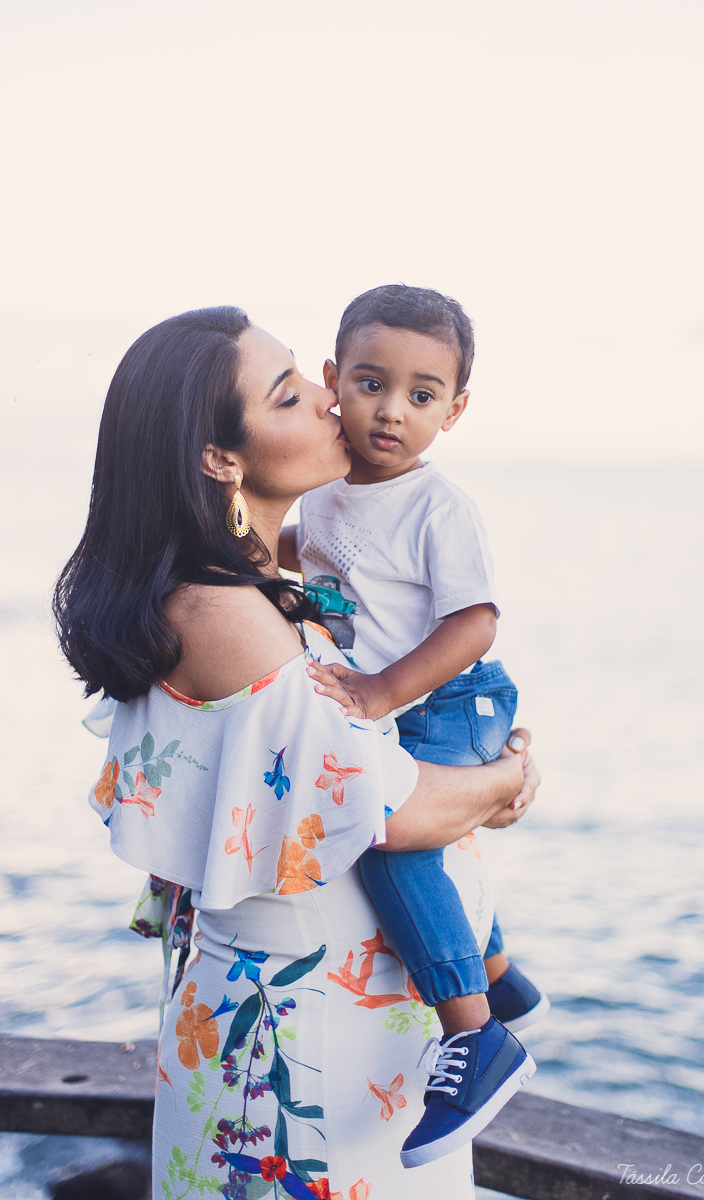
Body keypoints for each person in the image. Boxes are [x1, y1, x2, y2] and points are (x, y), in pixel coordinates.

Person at [54, 307, 540, 1199]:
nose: (331, 403)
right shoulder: (224, 616)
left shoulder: (258, 588)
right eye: (291, 395)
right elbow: (387, 810)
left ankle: (494, 986)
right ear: (220, 459)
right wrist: (508, 777)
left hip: (339, 1027)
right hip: (299, 1055)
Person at [279, 285, 547, 1167]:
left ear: (454, 410)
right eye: (370, 383)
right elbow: (315, 578)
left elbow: (475, 622)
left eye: (421, 395)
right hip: (396, 699)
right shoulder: (321, 497)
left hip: (453, 696)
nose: (391, 411)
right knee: (411, 827)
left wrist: (382, 690)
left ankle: (474, 1034)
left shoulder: (439, 506)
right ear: (332, 383)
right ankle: (500, 977)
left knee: (389, 833)